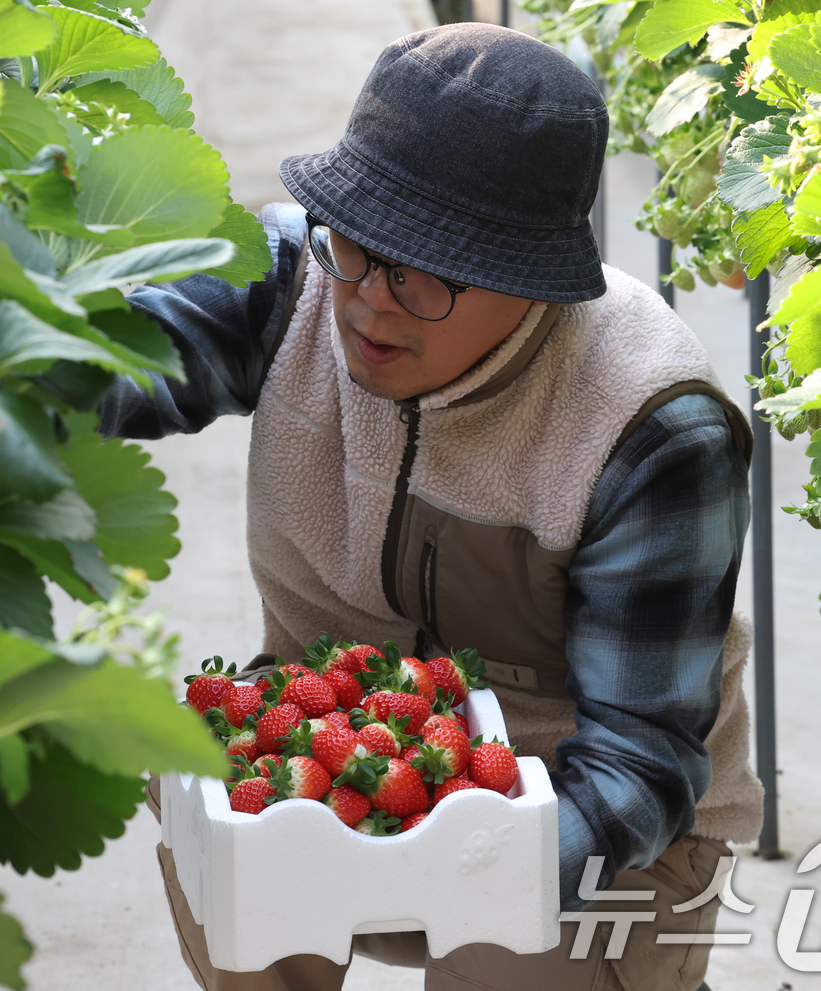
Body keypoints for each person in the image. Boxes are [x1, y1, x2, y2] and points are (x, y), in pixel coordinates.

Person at [102, 22, 764, 991]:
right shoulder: (295, 280)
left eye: (420, 274)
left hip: (579, 820)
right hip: (340, 751)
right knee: (220, 805)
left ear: (529, 280)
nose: (369, 299)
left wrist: (431, 855)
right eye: (357, 244)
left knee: (498, 953)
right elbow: (97, 361)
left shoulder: (646, 424)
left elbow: (636, 773)